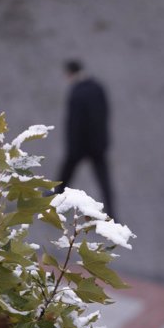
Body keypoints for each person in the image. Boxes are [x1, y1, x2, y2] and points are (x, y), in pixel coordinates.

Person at [55, 59, 116, 220]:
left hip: (79, 146)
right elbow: (105, 115)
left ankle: (53, 203)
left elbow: (74, 124)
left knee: (65, 176)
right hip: (98, 145)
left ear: (69, 73)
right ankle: (112, 212)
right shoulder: (98, 87)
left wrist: (72, 148)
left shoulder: (76, 92)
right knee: (104, 180)